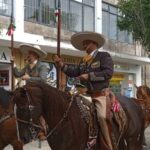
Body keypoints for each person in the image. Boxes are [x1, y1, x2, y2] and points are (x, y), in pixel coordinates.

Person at [54, 31, 115, 150]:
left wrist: (89, 76)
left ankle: (109, 145)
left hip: (100, 94)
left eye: (86, 42)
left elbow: (108, 73)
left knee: (102, 117)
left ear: (94, 43)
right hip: (86, 94)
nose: (84, 45)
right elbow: (73, 71)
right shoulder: (83, 61)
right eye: (84, 43)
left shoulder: (104, 56)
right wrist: (61, 64)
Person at [13, 44, 48, 140]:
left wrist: (30, 78)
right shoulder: (27, 66)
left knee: (39, 108)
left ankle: (42, 130)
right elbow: (17, 74)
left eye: (30, 54)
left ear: (36, 55)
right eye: (28, 54)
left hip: (40, 92)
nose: (28, 56)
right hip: (29, 92)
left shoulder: (42, 66)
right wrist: (13, 64)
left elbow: (43, 80)